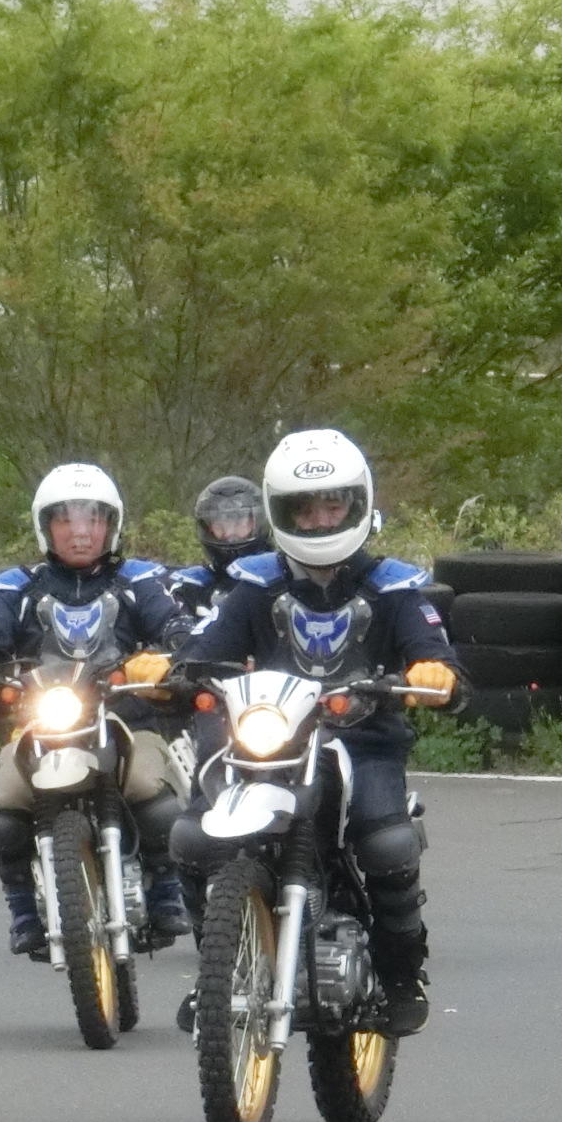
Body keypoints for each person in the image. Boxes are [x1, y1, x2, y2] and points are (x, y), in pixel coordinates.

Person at [169, 429, 459, 1035]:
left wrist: (434, 671)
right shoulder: (253, 584)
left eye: (334, 505)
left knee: (386, 846)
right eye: (306, 507)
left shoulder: (395, 586)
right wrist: (170, 671)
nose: (321, 519)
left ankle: (403, 971)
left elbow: (435, 652)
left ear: (357, 506)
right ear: (282, 511)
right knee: (194, 839)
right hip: (264, 742)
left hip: (362, 740)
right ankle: (216, 971)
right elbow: (206, 649)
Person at [0, 462, 194, 954]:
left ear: (110, 526)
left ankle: (166, 890)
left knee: (144, 787)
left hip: (125, 718)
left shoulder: (141, 581)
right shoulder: (15, 589)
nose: (79, 531)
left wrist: (177, 655)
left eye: (92, 519)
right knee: (5, 803)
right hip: (41, 722)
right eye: (66, 520)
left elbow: (176, 626)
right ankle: (24, 909)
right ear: (45, 526)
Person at [167, 475, 265, 620]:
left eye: (238, 522)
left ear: (255, 523)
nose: (229, 533)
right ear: (208, 528)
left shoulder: (281, 579)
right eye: (220, 524)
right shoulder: (191, 585)